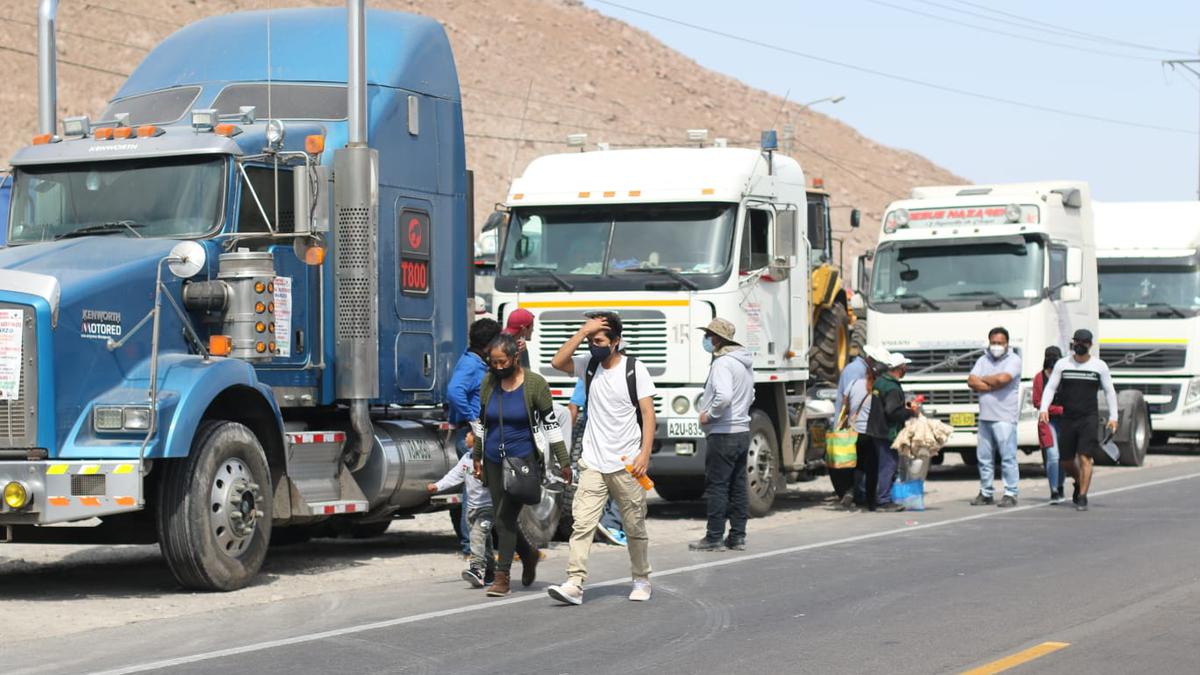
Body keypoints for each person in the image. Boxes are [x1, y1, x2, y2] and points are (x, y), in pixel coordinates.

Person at [546, 312, 656, 605]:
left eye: (599, 340)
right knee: (583, 523)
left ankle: (641, 578)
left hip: (627, 463)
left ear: (616, 342)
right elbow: (557, 362)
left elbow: (648, 414)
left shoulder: (635, 369)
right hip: (593, 461)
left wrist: (644, 454)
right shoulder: (589, 365)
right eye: (592, 340)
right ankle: (574, 583)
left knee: (634, 526)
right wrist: (583, 332)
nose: (594, 345)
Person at [471, 333, 571, 596]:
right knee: (504, 518)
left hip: (523, 460)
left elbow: (550, 424)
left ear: (516, 358)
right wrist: (477, 456)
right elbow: (482, 422)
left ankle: (502, 577)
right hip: (493, 459)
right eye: (493, 362)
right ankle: (528, 553)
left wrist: (564, 461)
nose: (499, 367)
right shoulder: (488, 382)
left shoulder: (535, 384)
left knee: (503, 518)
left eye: (503, 361)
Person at [1038, 329, 1118, 512]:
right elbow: (1050, 388)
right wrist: (1044, 409)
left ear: (1090, 345)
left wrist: (1114, 417)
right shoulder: (1062, 364)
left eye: (1084, 343)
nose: (1080, 346)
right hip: (1068, 417)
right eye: (1077, 342)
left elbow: (1109, 391)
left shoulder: (1099, 366)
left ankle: (1082, 495)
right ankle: (1077, 480)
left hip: (1089, 417)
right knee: (1066, 460)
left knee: (1085, 457)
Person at [446, 317, 500, 556]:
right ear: (488, 345)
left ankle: (481, 544)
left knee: (480, 491)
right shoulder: (470, 365)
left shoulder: (479, 362)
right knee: (475, 493)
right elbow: (454, 390)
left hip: (481, 433)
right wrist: (472, 418)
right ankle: (472, 547)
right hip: (471, 435)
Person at [966, 327, 1023, 507]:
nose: (996, 346)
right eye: (993, 343)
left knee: (1007, 457)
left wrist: (983, 380)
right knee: (984, 458)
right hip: (985, 417)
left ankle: (1010, 492)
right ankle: (986, 492)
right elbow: (971, 380)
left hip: (1005, 417)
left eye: (1000, 343)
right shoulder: (983, 359)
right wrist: (990, 383)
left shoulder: (1014, 360)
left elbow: (1003, 379)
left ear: (1007, 344)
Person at [568, 377, 627, 547]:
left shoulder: (629, 372)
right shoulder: (590, 373)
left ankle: (613, 524)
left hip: (620, 434)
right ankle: (604, 521)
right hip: (595, 436)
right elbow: (573, 407)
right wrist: (562, 442)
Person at [427, 454, 493, 588]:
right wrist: (438, 486)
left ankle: (477, 570)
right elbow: (454, 475)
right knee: (483, 542)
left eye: (470, 435)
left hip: (488, 508)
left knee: (477, 536)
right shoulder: (467, 458)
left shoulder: (490, 457)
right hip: (471, 509)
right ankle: (491, 573)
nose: (466, 437)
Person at [864, 352, 917, 512]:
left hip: (874, 430)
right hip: (887, 432)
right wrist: (910, 411)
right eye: (904, 367)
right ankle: (883, 501)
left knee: (877, 466)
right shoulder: (892, 387)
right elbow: (892, 411)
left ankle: (874, 499)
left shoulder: (879, 382)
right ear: (900, 368)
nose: (906, 369)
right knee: (889, 466)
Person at [831, 351, 869, 501]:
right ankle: (850, 492)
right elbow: (849, 402)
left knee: (849, 459)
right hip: (851, 425)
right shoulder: (856, 370)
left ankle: (850, 491)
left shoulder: (857, 369)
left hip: (850, 424)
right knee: (849, 460)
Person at [1033, 345, 1066, 503]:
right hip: (1048, 421)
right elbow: (1037, 402)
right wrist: (1058, 410)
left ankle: (1060, 485)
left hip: (1065, 421)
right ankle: (1053, 489)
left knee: (1063, 457)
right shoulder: (1039, 378)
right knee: (1053, 455)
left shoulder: (1065, 376)